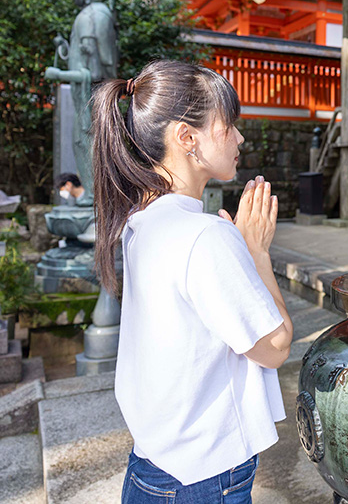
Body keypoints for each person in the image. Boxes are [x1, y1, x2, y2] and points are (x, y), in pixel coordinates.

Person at [90, 59, 293, 503]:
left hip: (155, 463)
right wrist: (256, 251)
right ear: (187, 138)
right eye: (228, 125)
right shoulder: (204, 236)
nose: (239, 138)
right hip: (203, 476)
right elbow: (274, 347)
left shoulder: (140, 220)